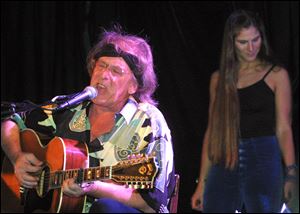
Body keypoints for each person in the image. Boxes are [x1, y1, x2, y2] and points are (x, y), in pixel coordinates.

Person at [1, 26, 175, 213]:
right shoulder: (68, 109)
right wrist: (16, 156)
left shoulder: (147, 121)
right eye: (101, 65)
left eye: (116, 71)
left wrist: (94, 187)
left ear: (133, 86)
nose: (104, 74)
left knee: (105, 208)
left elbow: (152, 203)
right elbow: (11, 119)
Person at [191, 9, 297, 213]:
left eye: (255, 39)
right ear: (232, 43)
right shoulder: (219, 79)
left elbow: (284, 128)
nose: (251, 47)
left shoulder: (276, 75)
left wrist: (291, 172)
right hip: (225, 155)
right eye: (243, 42)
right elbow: (212, 132)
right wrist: (202, 183)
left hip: (264, 155)